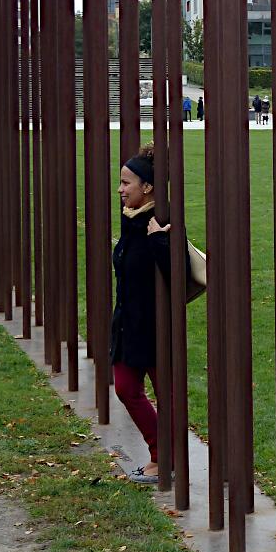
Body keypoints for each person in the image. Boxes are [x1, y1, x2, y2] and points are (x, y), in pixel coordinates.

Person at [112, 145, 181, 484]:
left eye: (127, 183)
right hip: (128, 324)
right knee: (125, 387)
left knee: (168, 396)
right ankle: (161, 451)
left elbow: (178, 278)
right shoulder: (130, 221)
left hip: (153, 328)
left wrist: (159, 242)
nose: (121, 190)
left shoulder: (159, 224)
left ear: (148, 187)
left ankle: (162, 458)